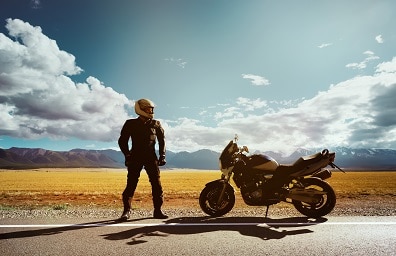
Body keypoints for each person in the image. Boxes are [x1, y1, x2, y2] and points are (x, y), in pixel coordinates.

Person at [118, 98, 168, 221]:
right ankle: (126, 211)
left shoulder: (156, 124)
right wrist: (127, 155)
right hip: (135, 157)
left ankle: (158, 210)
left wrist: (162, 155)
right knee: (131, 184)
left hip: (151, 158)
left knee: (157, 185)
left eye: (151, 109)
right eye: (147, 109)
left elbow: (162, 141)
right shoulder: (130, 123)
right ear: (139, 109)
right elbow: (122, 141)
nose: (150, 111)